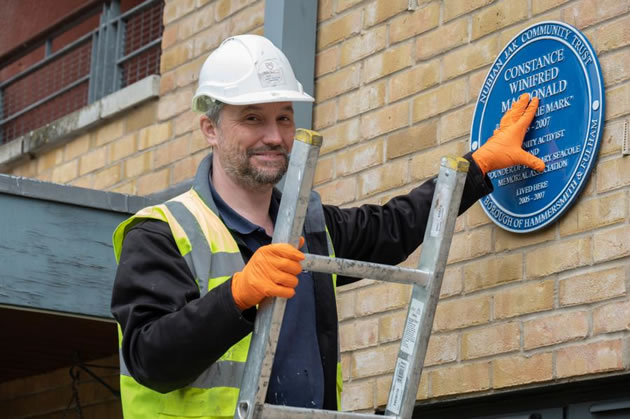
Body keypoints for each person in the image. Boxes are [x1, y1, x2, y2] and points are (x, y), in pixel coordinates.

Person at [111, 34, 544, 418]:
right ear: (210, 128)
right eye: (252, 118)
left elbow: (395, 227)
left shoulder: (312, 226)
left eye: (284, 117)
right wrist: (238, 295)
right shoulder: (162, 233)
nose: (276, 137)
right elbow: (150, 359)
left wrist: (480, 163)